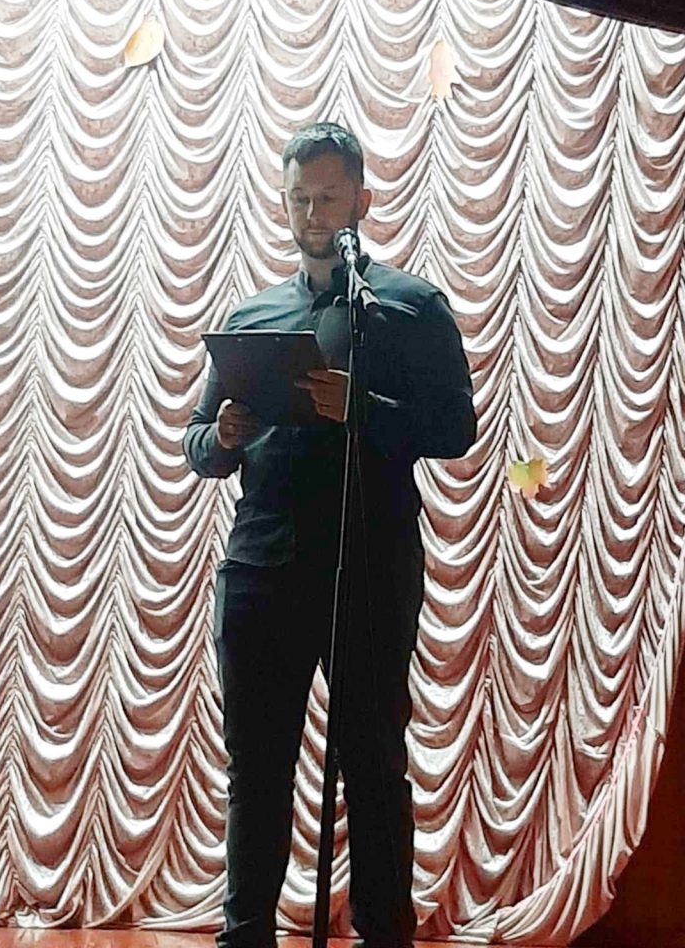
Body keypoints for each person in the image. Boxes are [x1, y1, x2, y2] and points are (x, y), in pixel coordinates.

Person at [183, 122, 476, 948]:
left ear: (362, 201)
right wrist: (223, 437)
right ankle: (246, 936)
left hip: (370, 565)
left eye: (328, 197)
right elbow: (197, 444)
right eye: (299, 199)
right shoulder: (252, 316)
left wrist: (363, 410)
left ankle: (385, 936)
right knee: (257, 770)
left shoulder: (410, 307)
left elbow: (456, 427)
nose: (312, 214)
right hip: (261, 569)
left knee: (375, 765)